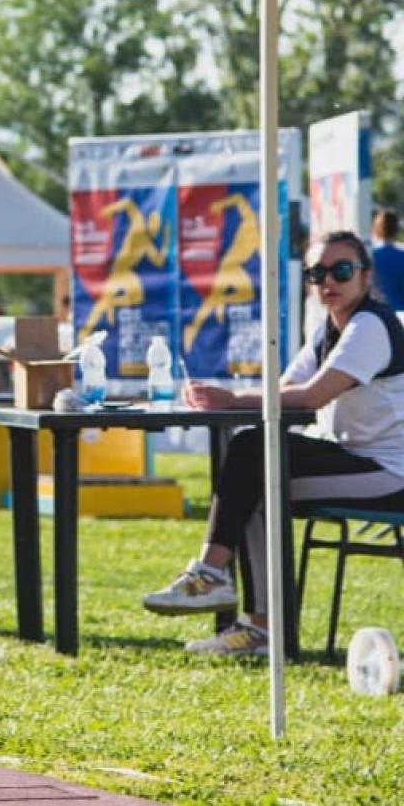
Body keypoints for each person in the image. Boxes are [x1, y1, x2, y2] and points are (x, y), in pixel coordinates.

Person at [143, 230, 404, 656]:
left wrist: (231, 398)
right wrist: (228, 400)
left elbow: (313, 396)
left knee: (255, 466)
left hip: (390, 475)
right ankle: (248, 617)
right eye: (317, 273)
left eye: (341, 271)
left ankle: (221, 586)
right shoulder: (328, 330)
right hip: (358, 460)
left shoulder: (370, 325)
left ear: (365, 275)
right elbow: (285, 388)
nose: (328, 282)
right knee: (254, 461)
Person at [370, 208, 404, 311]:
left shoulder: (368, 256)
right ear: (397, 230)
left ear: (375, 229)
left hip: (376, 314)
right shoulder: (402, 255)